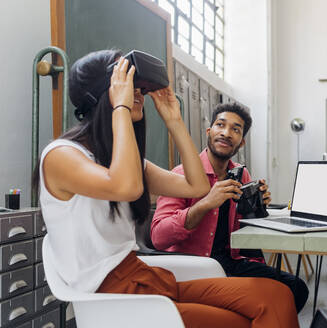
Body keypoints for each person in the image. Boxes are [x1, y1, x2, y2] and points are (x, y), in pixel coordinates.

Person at [34, 50, 299, 328]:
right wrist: (122, 109)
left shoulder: (124, 161)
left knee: (278, 295)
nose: (137, 94)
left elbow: (195, 185)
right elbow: (126, 186)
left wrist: (174, 119)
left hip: (143, 278)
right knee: (240, 321)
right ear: (104, 93)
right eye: (129, 86)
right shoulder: (61, 155)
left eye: (138, 89)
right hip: (117, 299)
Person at [151, 103, 309, 313]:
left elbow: (247, 229)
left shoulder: (241, 175)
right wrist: (206, 203)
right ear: (209, 132)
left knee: (296, 288)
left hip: (232, 261)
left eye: (235, 129)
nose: (226, 133)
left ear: (241, 142)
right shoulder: (180, 175)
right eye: (220, 125)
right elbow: (158, 237)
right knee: (272, 298)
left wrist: (259, 207)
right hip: (196, 266)